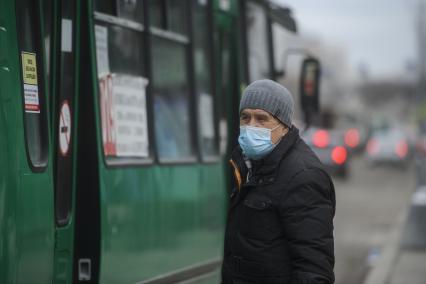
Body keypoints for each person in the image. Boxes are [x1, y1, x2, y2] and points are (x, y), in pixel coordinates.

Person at [221, 79, 335, 284]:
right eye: (245, 117)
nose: (251, 126)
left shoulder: (304, 177)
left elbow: (313, 269)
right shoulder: (247, 164)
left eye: (261, 119)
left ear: (284, 126)